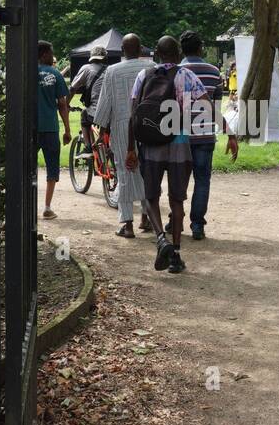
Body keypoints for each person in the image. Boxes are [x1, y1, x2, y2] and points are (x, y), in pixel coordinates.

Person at [126, 35, 210, 274]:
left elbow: (134, 114)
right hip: (179, 142)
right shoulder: (187, 75)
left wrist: (131, 148)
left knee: (150, 196)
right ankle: (175, 255)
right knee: (177, 199)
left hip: (150, 143)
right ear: (177, 54)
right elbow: (205, 105)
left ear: (157, 54)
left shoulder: (144, 76)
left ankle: (160, 239)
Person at [179, 29, 239, 240]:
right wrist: (230, 134)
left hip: (179, 135)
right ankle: (197, 225)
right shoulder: (213, 72)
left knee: (179, 179)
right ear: (200, 48)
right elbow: (214, 108)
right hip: (204, 135)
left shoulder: (175, 71)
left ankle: (173, 220)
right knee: (202, 180)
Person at [93, 34, 153, 238]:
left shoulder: (112, 71)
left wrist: (101, 129)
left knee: (125, 171)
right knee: (147, 170)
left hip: (120, 126)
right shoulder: (151, 68)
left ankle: (127, 224)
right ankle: (146, 217)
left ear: (122, 51)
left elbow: (105, 103)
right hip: (147, 125)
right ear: (140, 49)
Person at [37, 41, 71, 220]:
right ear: (43, 55)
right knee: (52, 168)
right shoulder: (55, 74)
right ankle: (47, 207)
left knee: (26, 167)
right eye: (51, 53)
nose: (53, 56)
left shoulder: (27, 72)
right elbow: (62, 104)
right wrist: (67, 129)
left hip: (31, 128)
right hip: (50, 127)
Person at [68, 46, 108, 147]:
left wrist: (66, 104)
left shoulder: (86, 68)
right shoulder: (110, 70)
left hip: (94, 112)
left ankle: (87, 147)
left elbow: (72, 88)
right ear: (104, 57)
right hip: (110, 113)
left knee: (84, 114)